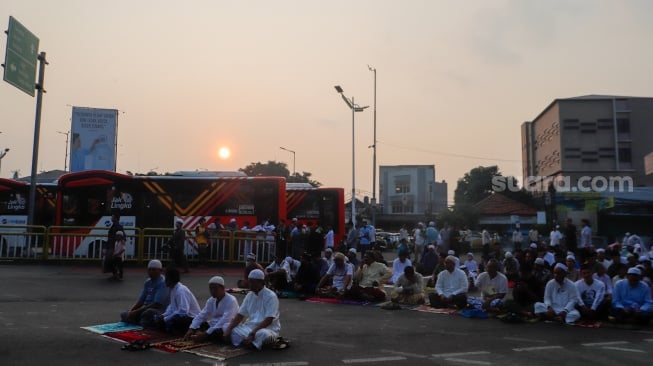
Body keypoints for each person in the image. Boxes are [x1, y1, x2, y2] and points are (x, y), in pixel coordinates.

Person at [224, 269, 282, 350]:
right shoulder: (249, 295)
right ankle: (251, 343)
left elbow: (269, 319)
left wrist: (253, 333)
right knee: (226, 326)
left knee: (263, 334)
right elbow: (240, 315)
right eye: (249, 282)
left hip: (267, 329)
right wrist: (228, 330)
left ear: (261, 282)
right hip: (250, 327)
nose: (250, 285)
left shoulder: (271, 296)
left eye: (253, 282)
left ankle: (248, 342)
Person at [184, 276, 239, 343]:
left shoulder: (231, 300)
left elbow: (224, 320)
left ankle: (203, 336)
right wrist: (191, 328)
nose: (212, 291)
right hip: (212, 326)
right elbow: (202, 315)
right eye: (211, 289)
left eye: (215, 289)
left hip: (225, 326)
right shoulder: (211, 300)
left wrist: (206, 334)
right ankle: (201, 335)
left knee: (219, 332)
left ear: (223, 288)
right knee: (192, 322)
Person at [120, 259, 170, 327]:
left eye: (154, 269)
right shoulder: (148, 282)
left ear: (160, 271)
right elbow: (140, 301)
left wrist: (136, 312)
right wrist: (131, 311)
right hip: (146, 308)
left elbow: (156, 304)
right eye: (149, 269)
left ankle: (143, 322)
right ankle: (139, 321)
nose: (151, 271)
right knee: (124, 314)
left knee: (147, 313)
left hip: (159, 310)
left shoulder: (163, 283)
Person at [157, 268, 201, 334]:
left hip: (191, 318)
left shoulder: (181, 291)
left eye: (166, 278)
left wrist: (166, 318)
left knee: (176, 320)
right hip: (179, 316)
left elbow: (183, 312)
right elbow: (171, 307)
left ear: (171, 279)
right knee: (158, 318)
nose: (165, 281)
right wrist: (164, 315)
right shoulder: (173, 289)